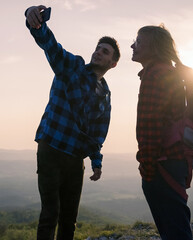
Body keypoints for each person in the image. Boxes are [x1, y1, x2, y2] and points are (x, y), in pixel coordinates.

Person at [25, 5, 120, 240]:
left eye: (105, 52)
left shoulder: (105, 95)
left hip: (75, 158)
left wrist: (96, 161)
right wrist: (33, 19)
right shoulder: (73, 67)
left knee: (69, 218)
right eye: (98, 48)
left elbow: (97, 133)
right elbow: (51, 46)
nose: (98, 52)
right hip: (51, 148)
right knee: (50, 213)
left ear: (113, 63)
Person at [131, 25, 193, 240]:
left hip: (162, 163)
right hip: (173, 160)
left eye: (139, 41)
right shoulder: (169, 72)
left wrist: (147, 168)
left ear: (155, 47)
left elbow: (150, 123)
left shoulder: (156, 74)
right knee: (176, 227)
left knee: (175, 232)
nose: (133, 45)